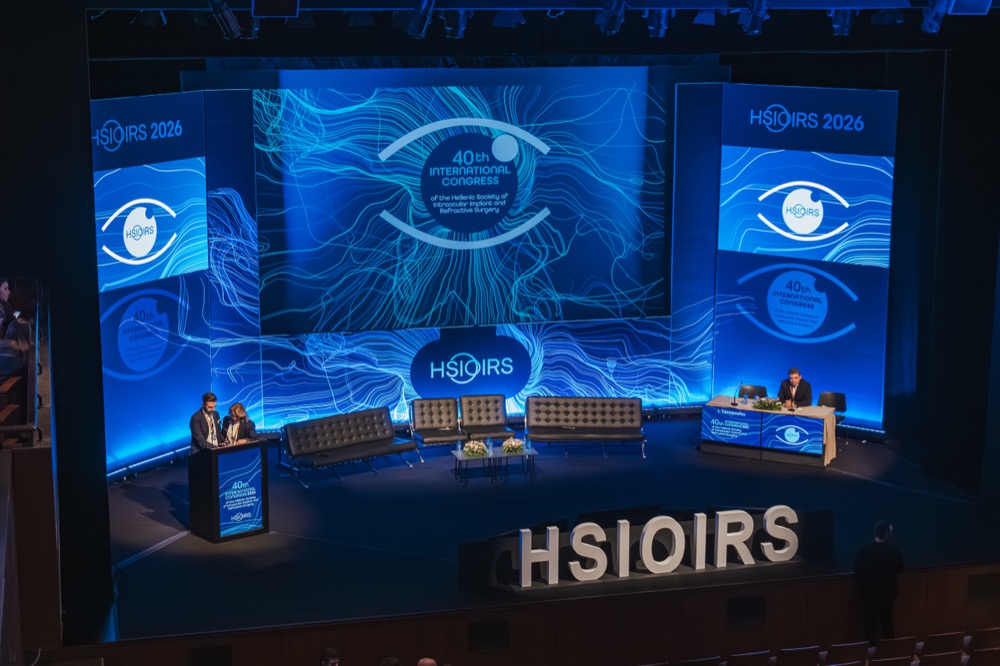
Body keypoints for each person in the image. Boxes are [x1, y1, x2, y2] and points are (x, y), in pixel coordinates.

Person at [854, 519, 905, 644]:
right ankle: (891, 650)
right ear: (887, 534)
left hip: (868, 595)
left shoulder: (864, 552)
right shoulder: (894, 552)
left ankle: (870, 650)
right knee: (887, 622)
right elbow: (900, 568)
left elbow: (856, 568)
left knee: (870, 625)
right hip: (887, 595)